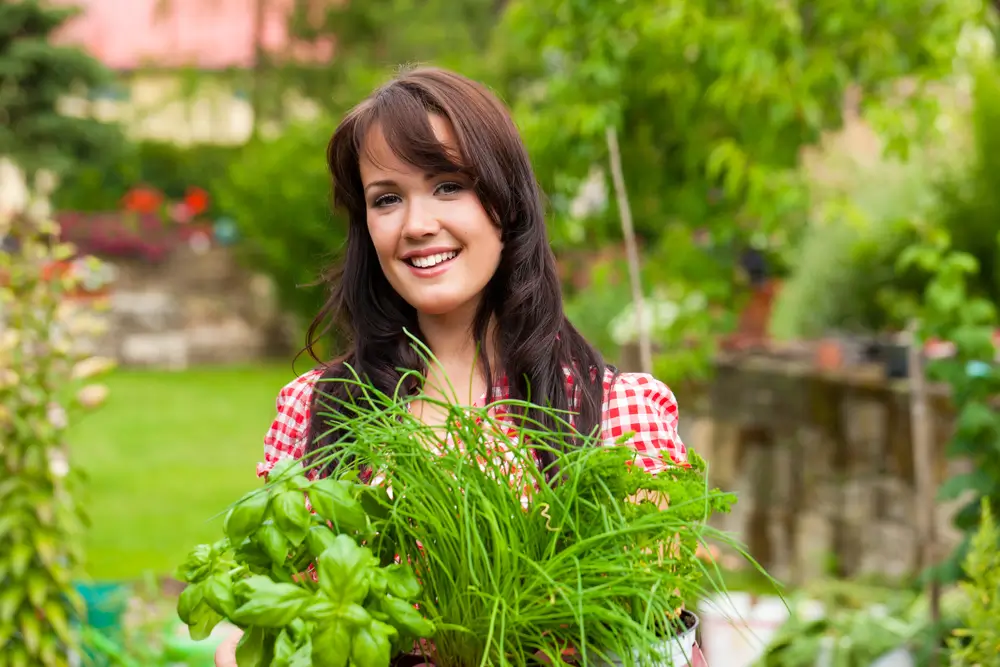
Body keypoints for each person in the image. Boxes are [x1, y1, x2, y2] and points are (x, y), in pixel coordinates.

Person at [215, 66, 695, 667]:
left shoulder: (618, 413)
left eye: (448, 186)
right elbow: (272, 611)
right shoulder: (316, 408)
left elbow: (650, 623)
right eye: (386, 198)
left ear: (506, 202)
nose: (416, 225)